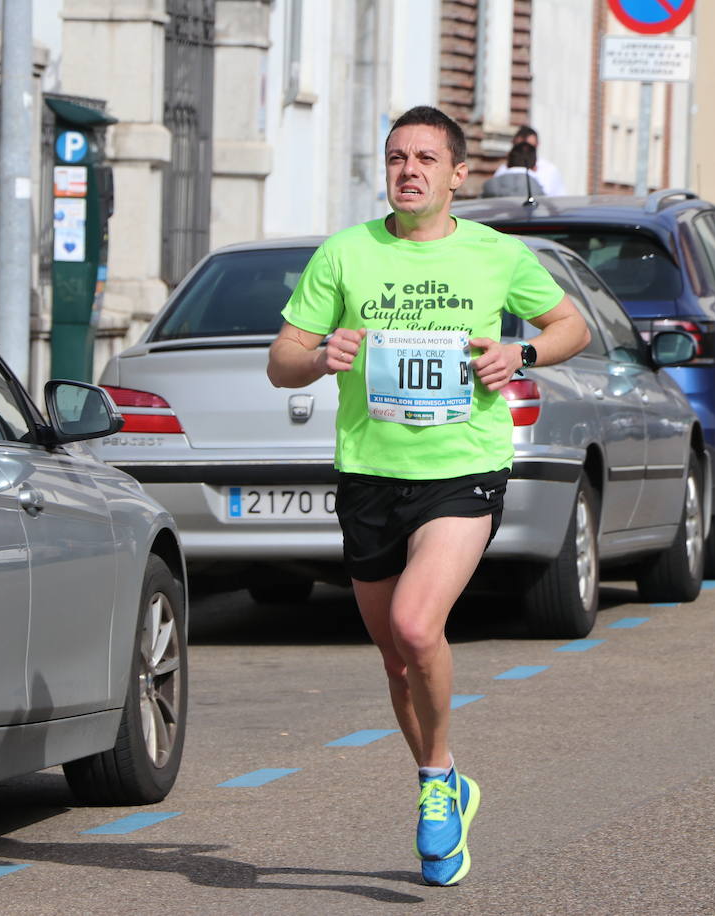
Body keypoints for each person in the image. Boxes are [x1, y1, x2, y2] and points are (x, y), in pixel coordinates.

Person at [265, 105, 590, 887]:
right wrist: (319, 358)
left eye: (424, 158)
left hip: (462, 466)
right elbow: (282, 359)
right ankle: (438, 779)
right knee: (395, 659)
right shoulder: (345, 254)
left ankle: (440, 777)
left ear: (456, 174)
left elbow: (571, 325)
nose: (408, 170)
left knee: (417, 625)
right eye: (396, 157)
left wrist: (523, 351)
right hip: (370, 473)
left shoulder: (495, 254)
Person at [490, 125, 566, 196]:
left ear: (537, 145)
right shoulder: (503, 169)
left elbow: (559, 200)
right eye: (519, 147)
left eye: (530, 147)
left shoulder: (549, 170)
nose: (524, 150)